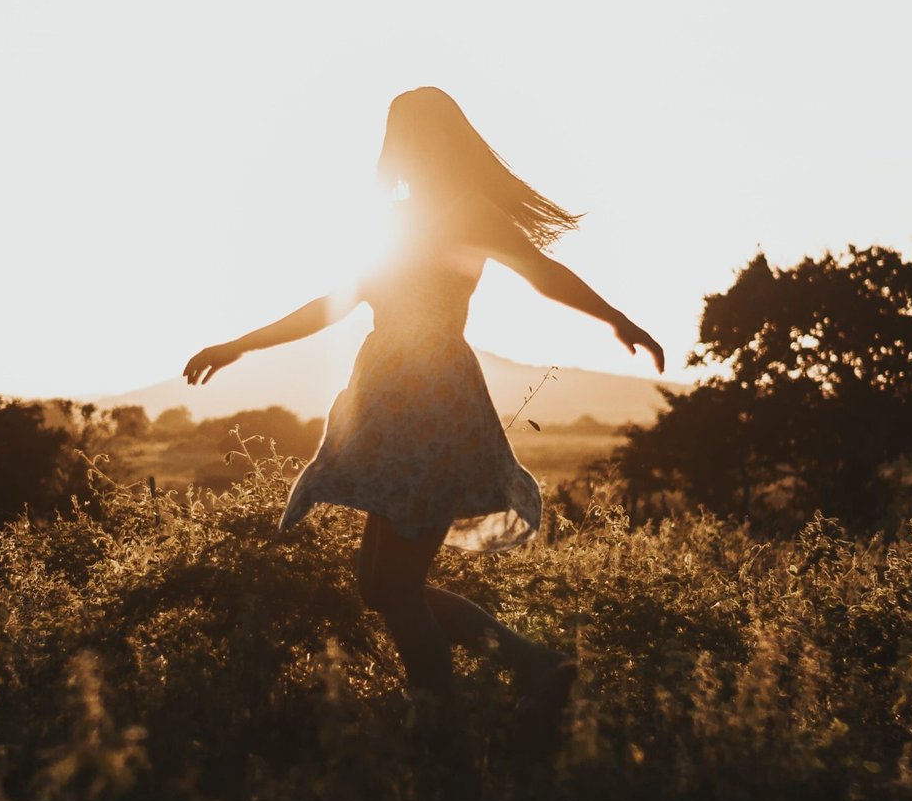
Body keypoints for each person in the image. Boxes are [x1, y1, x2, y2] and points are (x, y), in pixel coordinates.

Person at [183, 86, 664, 741]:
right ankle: (533, 665)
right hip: (386, 408)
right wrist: (240, 344)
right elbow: (335, 301)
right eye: (401, 139)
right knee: (379, 585)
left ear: (447, 141)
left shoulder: (472, 211)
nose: (409, 150)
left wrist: (618, 318)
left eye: (423, 137)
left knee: (398, 586)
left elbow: (543, 275)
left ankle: (442, 732)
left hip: (436, 404)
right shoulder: (395, 219)